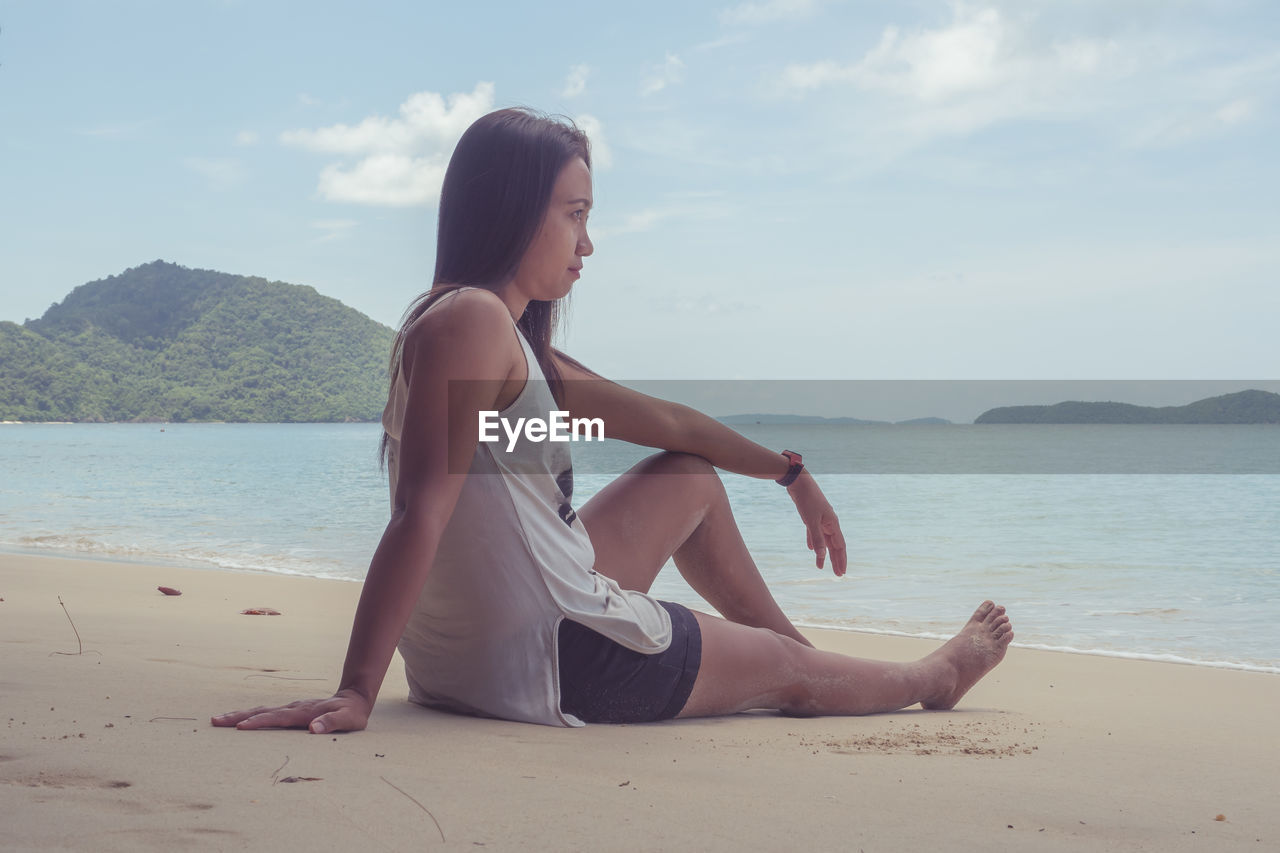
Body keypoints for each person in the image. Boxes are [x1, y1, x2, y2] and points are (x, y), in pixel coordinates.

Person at [212, 108, 1012, 734]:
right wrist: (355, 689)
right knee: (779, 671)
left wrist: (790, 474)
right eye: (574, 214)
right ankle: (928, 677)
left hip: (467, 664)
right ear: (512, 210)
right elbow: (422, 509)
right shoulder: (473, 323)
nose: (587, 244)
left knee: (687, 478)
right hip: (554, 658)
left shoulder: (501, 345)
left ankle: (806, 658)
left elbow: (671, 424)